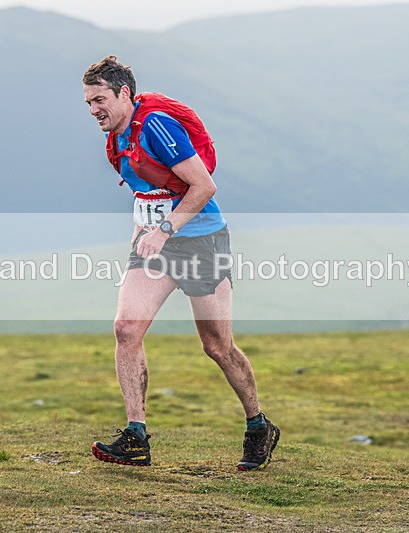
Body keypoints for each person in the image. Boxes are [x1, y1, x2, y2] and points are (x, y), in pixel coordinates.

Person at [82, 56, 279, 471]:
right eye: (88, 103)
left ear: (124, 94)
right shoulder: (116, 137)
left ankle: (258, 426)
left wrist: (164, 229)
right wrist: (143, 229)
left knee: (217, 346)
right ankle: (136, 436)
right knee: (126, 328)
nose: (94, 110)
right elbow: (147, 190)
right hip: (155, 245)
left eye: (100, 100)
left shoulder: (157, 126)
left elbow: (203, 186)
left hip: (202, 242)